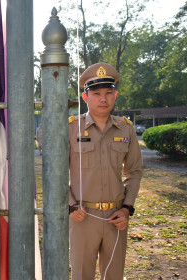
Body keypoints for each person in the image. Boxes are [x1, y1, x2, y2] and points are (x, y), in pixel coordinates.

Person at [68, 62, 143, 280]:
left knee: (114, 276)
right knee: (82, 275)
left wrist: (127, 209)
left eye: (108, 93)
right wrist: (71, 206)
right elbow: (56, 174)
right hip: (82, 217)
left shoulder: (126, 128)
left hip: (116, 218)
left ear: (115, 95)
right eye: (97, 93)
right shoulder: (72, 128)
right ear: (85, 97)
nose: (103, 99)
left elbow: (134, 172)